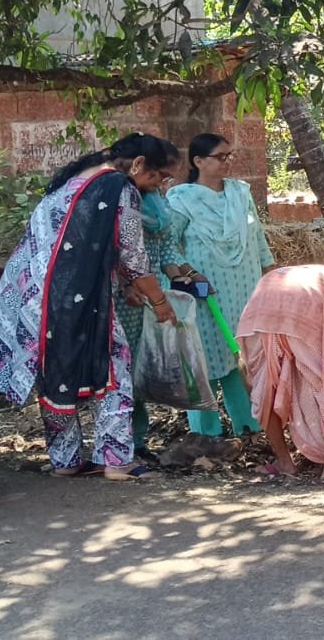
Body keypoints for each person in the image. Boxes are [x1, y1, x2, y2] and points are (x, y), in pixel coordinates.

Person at [0, 132, 180, 480]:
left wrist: (121, 284)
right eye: (158, 175)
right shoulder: (119, 187)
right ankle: (117, 460)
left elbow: (85, 243)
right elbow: (132, 254)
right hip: (72, 297)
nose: (160, 184)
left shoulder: (72, 182)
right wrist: (160, 301)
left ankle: (66, 460)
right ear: (139, 164)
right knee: (114, 366)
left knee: (54, 370)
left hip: (30, 295)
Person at [234, 263, 324, 483]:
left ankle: (285, 463)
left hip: (260, 313)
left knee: (266, 390)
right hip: (303, 310)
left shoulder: (310, 273)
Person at [166, 132, 270, 438]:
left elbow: (258, 236)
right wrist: (183, 277)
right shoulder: (181, 199)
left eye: (230, 156)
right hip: (203, 293)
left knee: (242, 358)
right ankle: (205, 437)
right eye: (220, 157)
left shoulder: (240, 192)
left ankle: (249, 429)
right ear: (198, 161)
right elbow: (169, 246)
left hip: (245, 288)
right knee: (205, 360)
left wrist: (269, 274)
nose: (227, 162)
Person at [113, 172, 203, 461]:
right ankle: (118, 443)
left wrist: (179, 283)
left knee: (144, 369)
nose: (162, 181)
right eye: (158, 174)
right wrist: (128, 285)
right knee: (122, 373)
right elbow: (115, 255)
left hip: (154, 301)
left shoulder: (161, 210)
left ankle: (137, 441)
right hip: (125, 301)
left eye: (165, 176)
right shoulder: (121, 205)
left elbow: (167, 255)